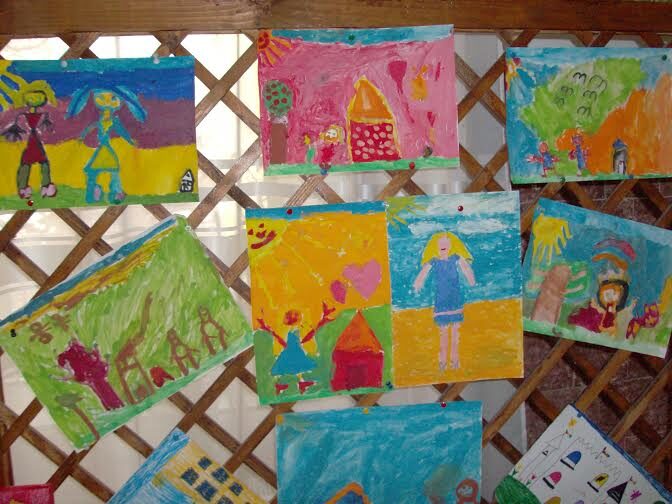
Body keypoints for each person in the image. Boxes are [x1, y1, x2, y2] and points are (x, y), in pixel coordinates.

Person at [414, 232, 476, 371]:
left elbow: (466, 269)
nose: (443, 245)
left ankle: (455, 360)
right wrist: (417, 284)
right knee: (443, 332)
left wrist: (471, 279)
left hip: (455, 299)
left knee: (455, 332)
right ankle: (442, 361)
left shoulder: (456, 258)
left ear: (451, 245)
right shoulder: (434, 261)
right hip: (441, 301)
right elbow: (423, 273)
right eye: (441, 243)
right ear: (435, 246)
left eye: (446, 243)